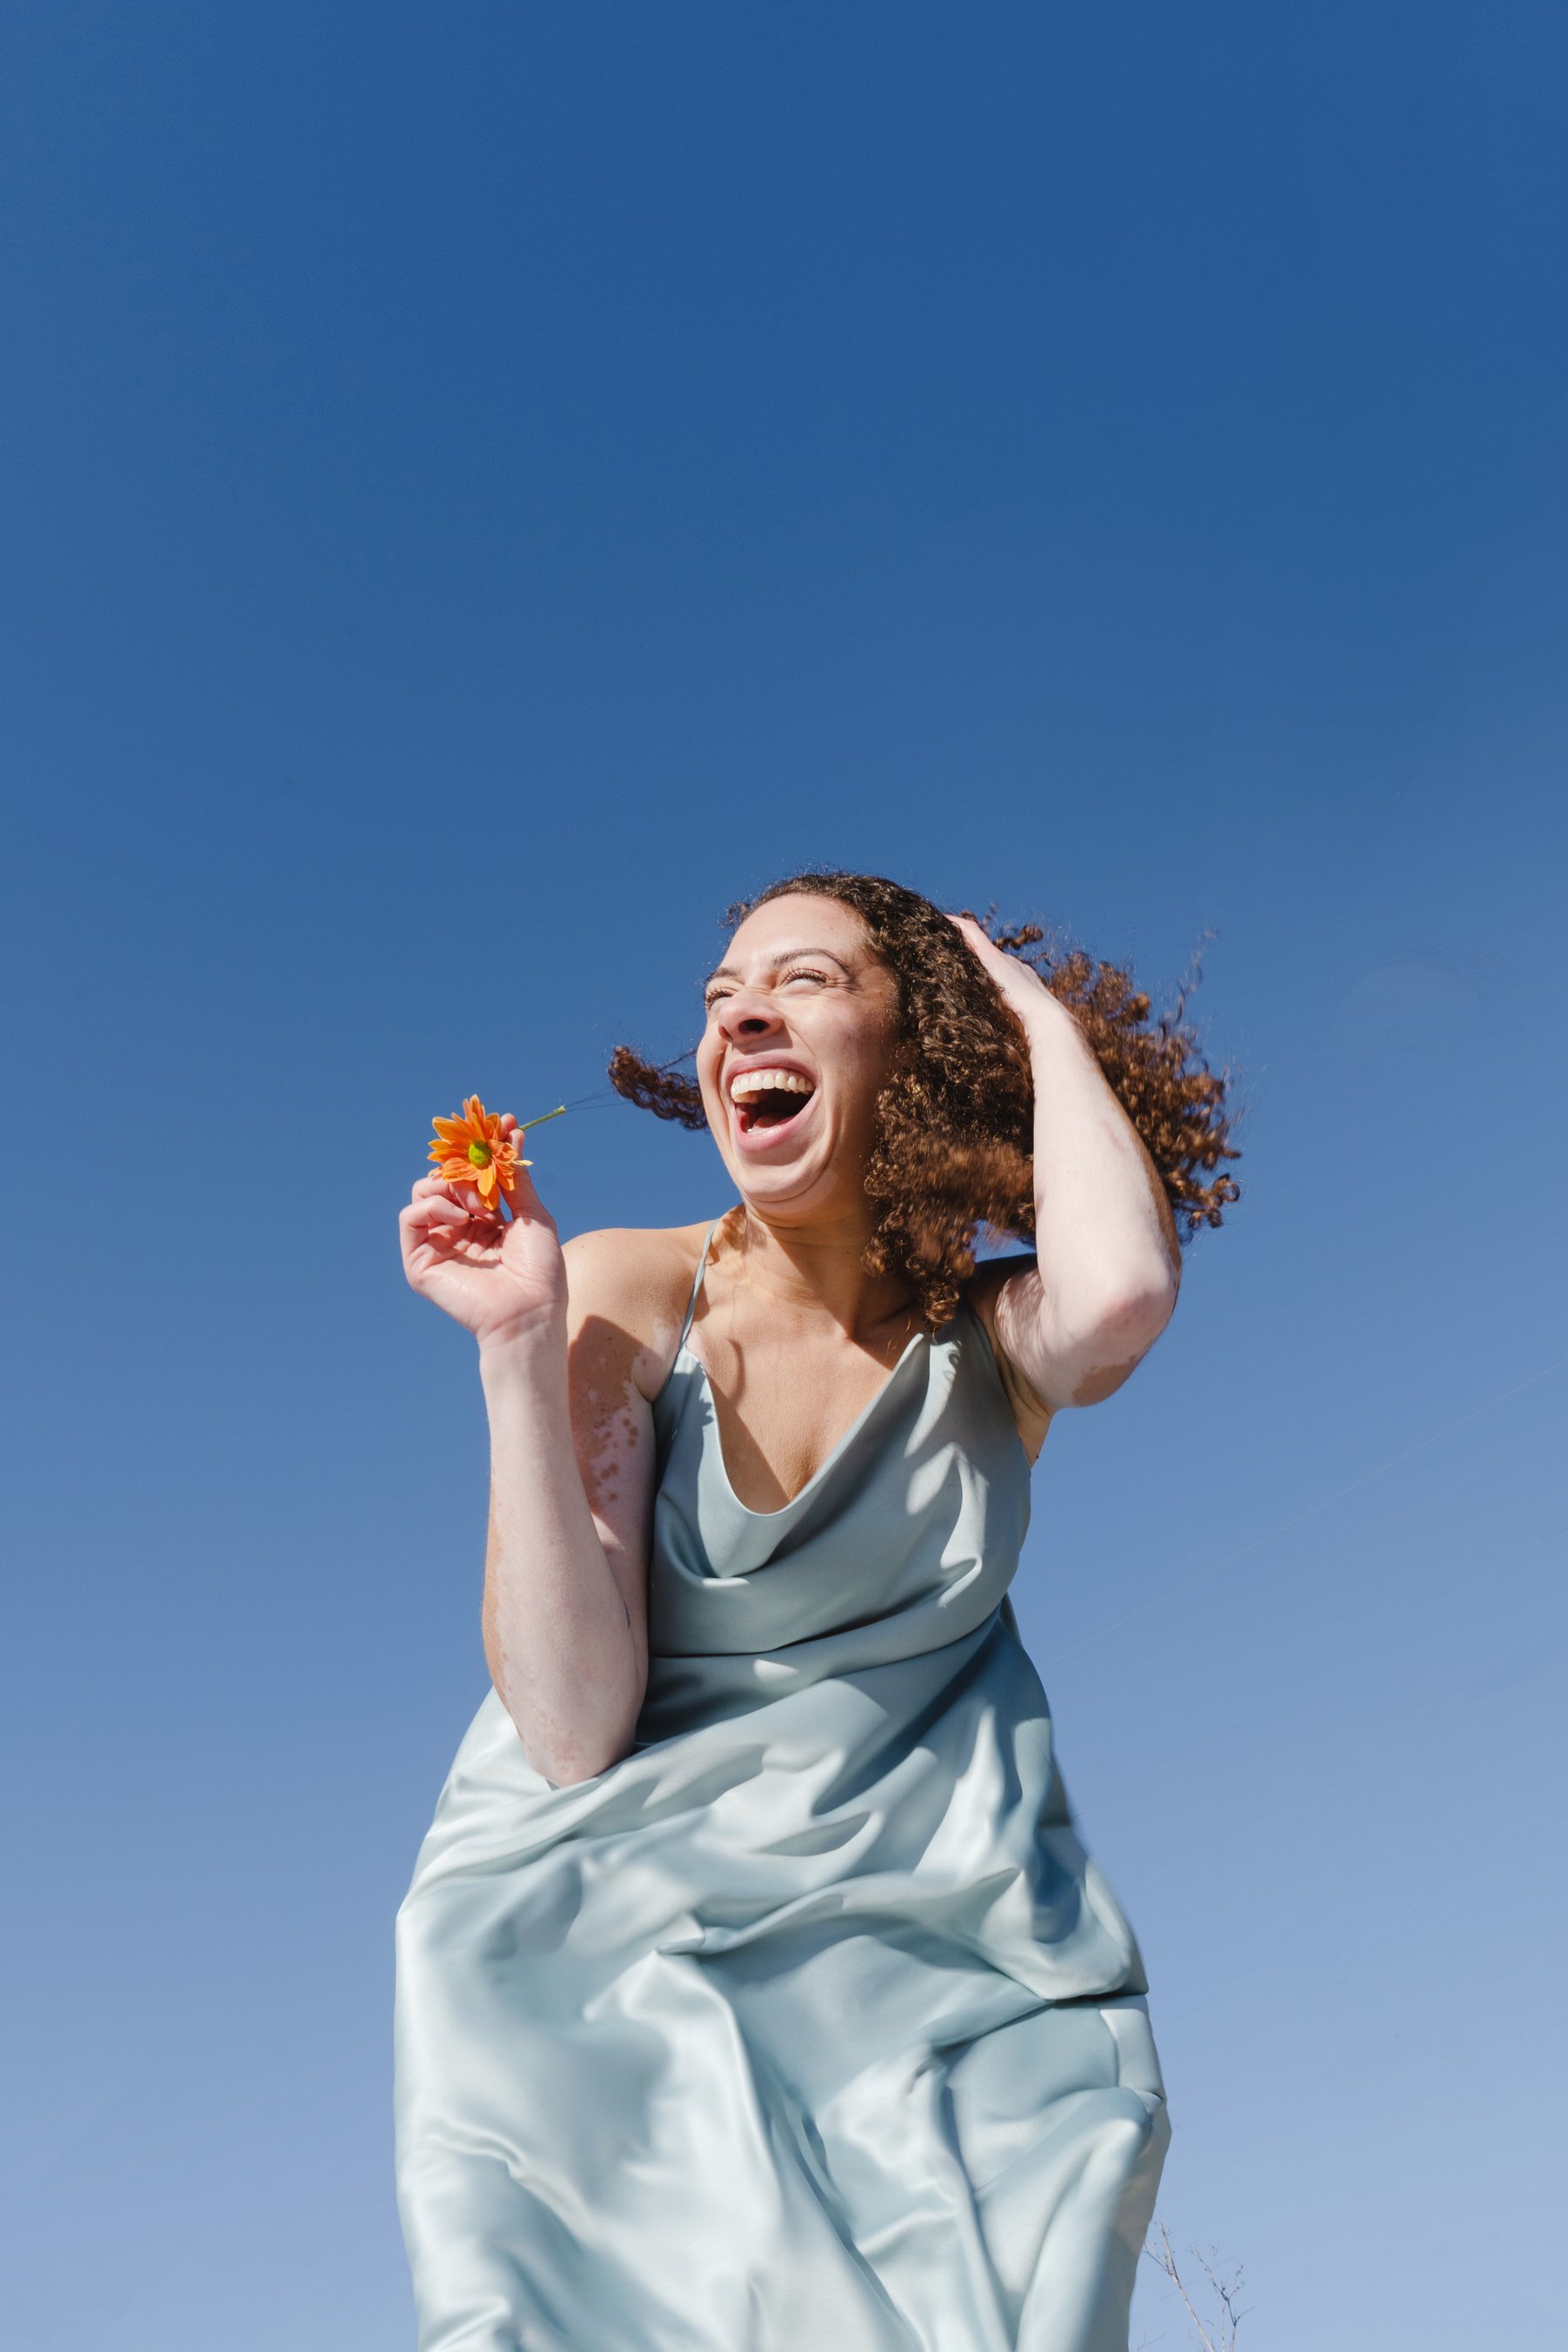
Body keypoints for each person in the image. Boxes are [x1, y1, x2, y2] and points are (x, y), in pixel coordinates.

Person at [394, 869, 1238, 2352]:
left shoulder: (989, 1344)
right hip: (620, 1937)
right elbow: (573, 1726)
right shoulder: (631, 1293)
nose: (739, 1023)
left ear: (912, 1053)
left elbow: (1117, 1298)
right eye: (719, 1001)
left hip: (943, 1946)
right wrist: (519, 1351)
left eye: (806, 982)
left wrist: (1029, 1014)